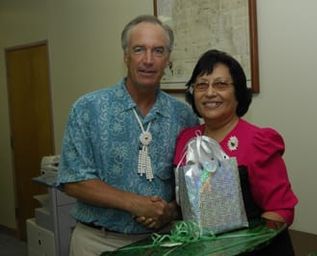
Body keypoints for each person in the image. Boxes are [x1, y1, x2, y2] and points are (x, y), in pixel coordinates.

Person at [57, 15, 198, 256]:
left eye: (158, 51)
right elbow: (73, 180)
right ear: (125, 56)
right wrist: (135, 203)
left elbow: (192, 180)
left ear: (168, 59)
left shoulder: (183, 116)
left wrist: (170, 211)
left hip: (163, 242)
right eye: (139, 49)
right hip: (98, 242)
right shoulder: (88, 108)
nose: (148, 60)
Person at [173, 49, 298, 255]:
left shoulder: (258, 141)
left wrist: (240, 247)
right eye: (201, 85)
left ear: (238, 93)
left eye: (221, 84)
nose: (210, 92)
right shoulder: (186, 139)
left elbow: (281, 211)